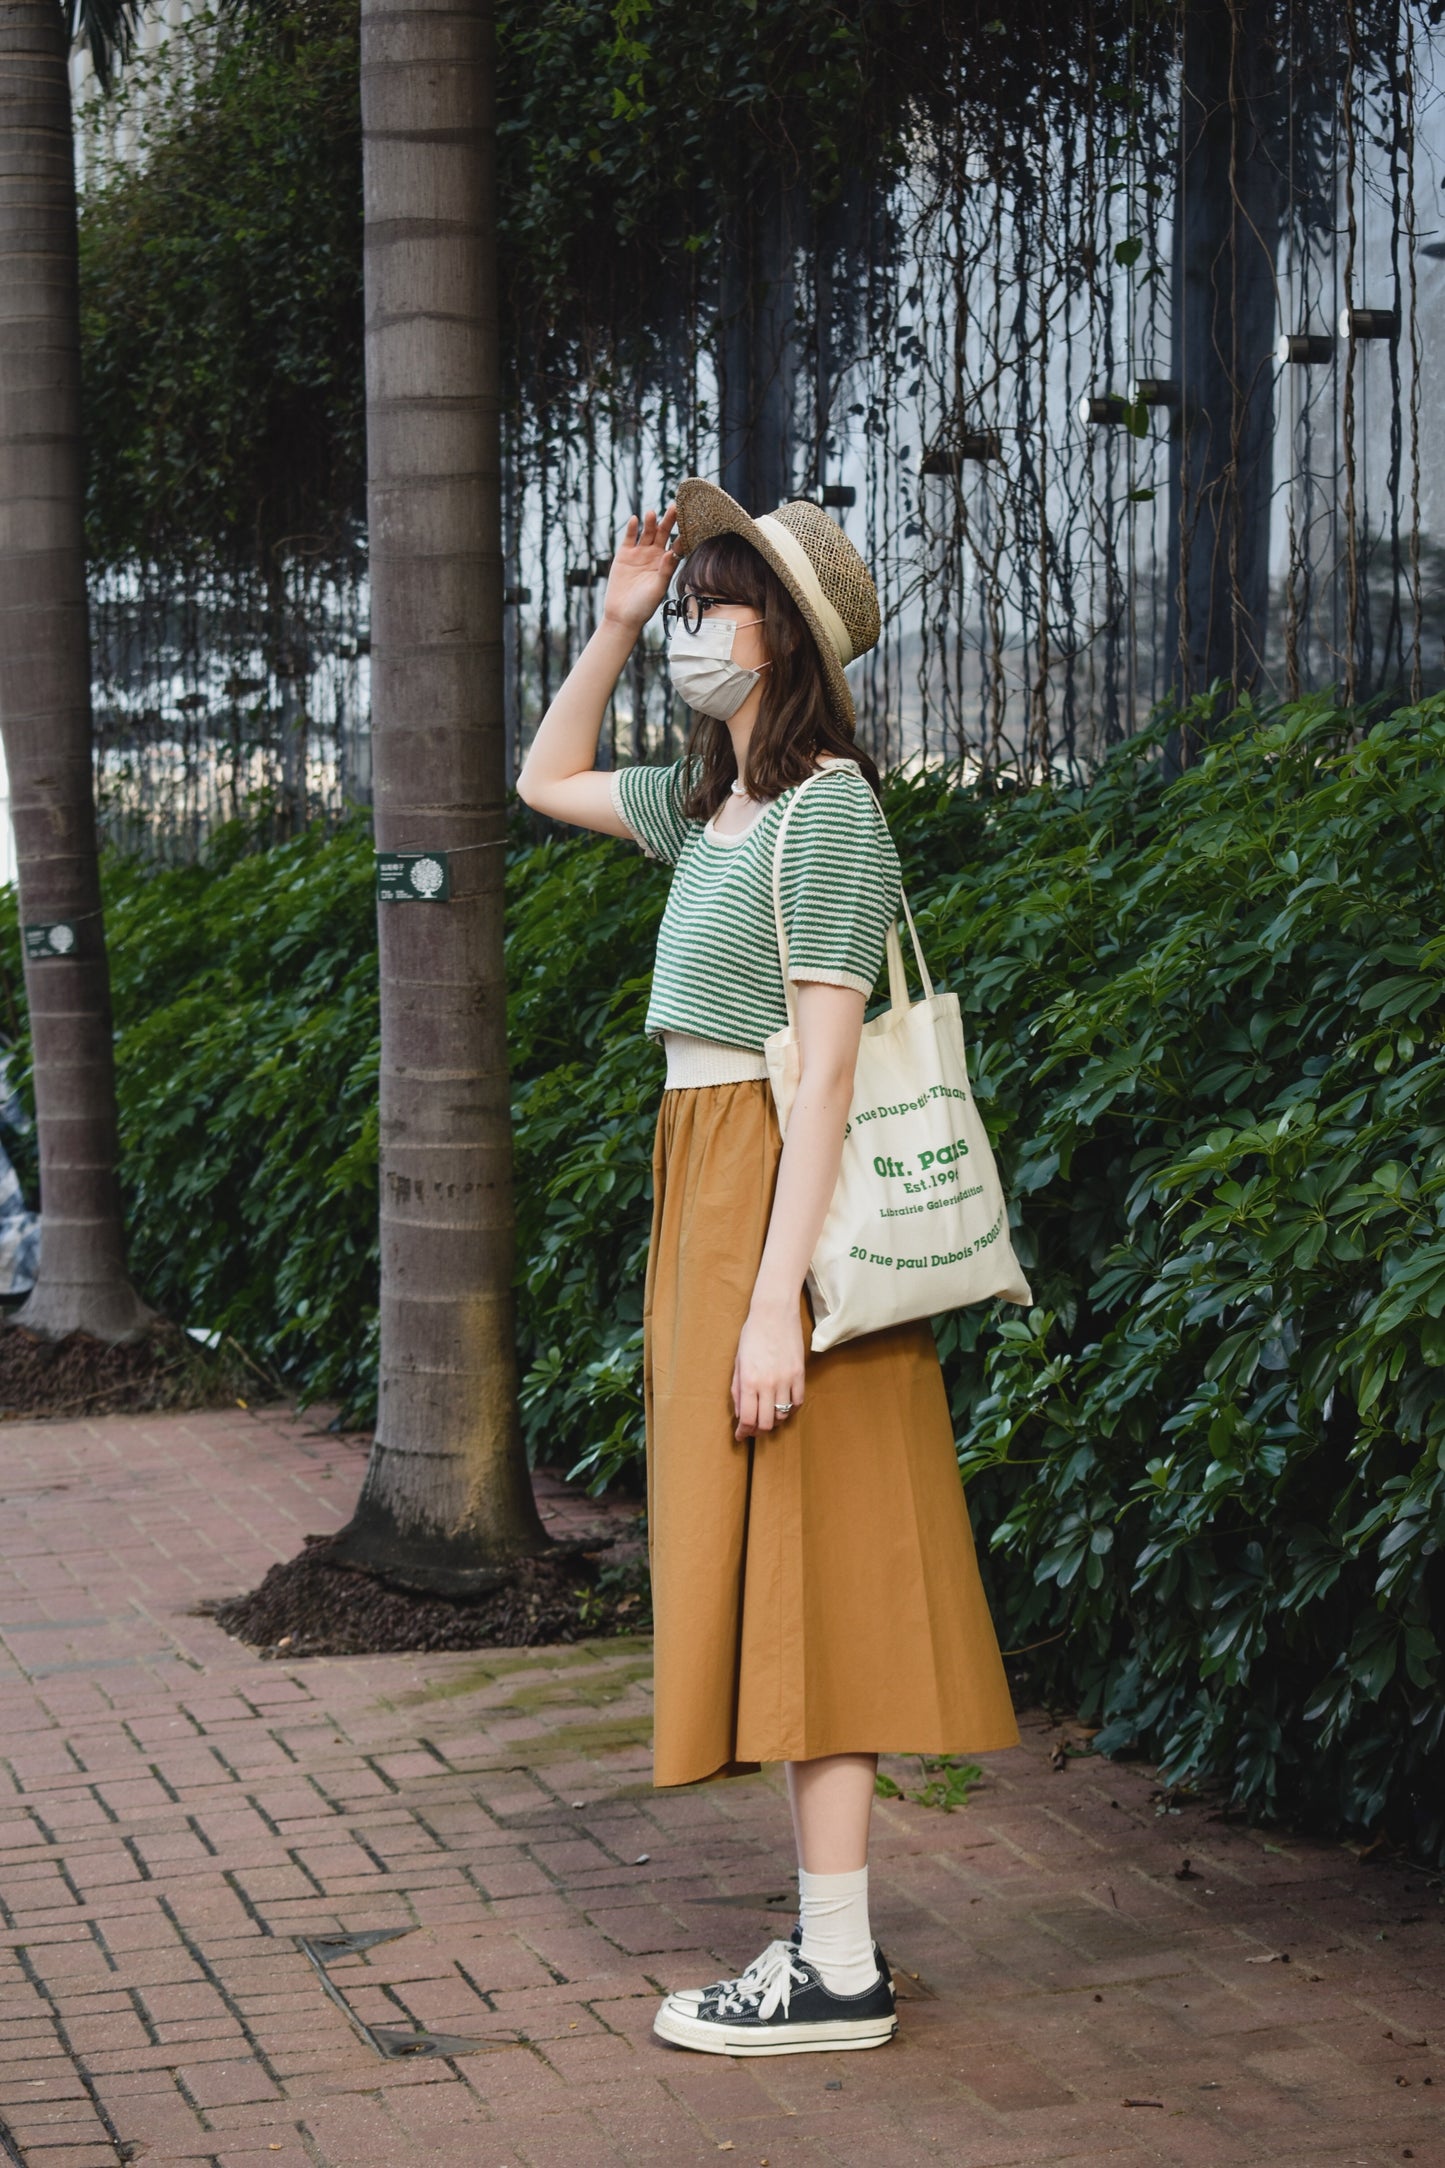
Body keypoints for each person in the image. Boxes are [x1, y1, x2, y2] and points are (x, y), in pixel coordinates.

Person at [516, 479, 1020, 2058]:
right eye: (689, 601)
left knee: (811, 1560)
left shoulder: (828, 812)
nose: (691, 624)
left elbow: (819, 1082)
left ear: (784, 635)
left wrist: (769, 1305)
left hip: (768, 1202)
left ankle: (837, 1964)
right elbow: (539, 778)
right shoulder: (708, 807)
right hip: (708, 1188)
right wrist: (606, 624)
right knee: (774, 1559)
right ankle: (832, 1947)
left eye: (715, 601)